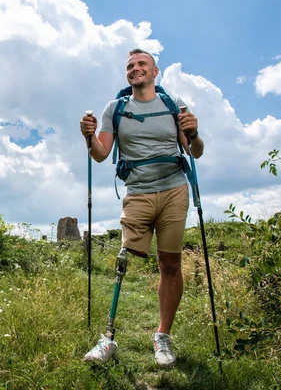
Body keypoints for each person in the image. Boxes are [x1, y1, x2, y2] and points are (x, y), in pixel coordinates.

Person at [80, 49, 204, 368]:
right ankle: (107, 339)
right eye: (130, 66)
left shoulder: (172, 105)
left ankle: (162, 336)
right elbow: (99, 154)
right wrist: (88, 136)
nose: (135, 69)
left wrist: (194, 131)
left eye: (141, 65)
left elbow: (195, 151)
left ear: (155, 71)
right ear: (128, 74)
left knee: (171, 264)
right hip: (138, 191)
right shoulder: (116, 109)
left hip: (175, 188)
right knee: (123, 260)